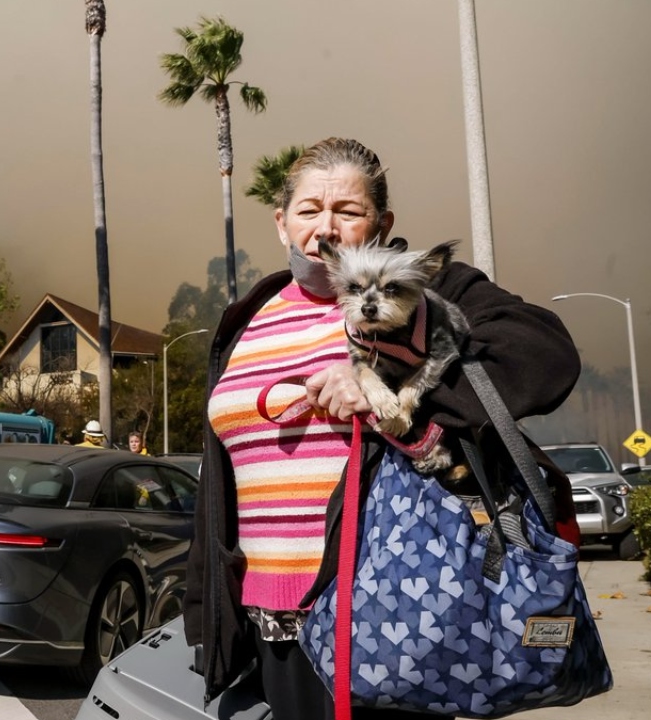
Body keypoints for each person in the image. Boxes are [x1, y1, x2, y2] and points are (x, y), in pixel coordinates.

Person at [181, 137, 581, 720]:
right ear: (280, 221)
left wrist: (397, 390)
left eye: (347, 211)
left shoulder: (424, 291)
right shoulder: (246, 317)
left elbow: (546, 354)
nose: (325, 229)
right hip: (269, 630)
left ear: (382, 223)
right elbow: (221, 482)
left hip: (390, 619)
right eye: (308, 209)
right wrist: (207, 612)